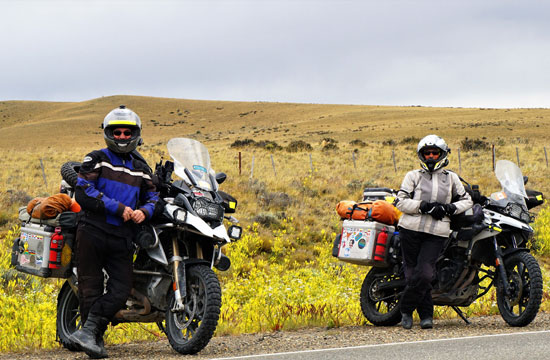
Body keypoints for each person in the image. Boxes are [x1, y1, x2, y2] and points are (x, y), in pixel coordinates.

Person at [70, 105, 159, 358]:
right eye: (116, 132)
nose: (121, 137)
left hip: (123, 237)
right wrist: (119, 208)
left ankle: (88, 333)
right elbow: (84, 191)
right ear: (108, 133)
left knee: (121, 291)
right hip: (93, 231)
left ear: (135, 134)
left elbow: (153, 196)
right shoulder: (95, 158)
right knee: (90, 288)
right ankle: (93, 340)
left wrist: (145, 212)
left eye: (126, 132)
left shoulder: (141, 166)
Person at [395, 134, 472, 330]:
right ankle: (426, 316)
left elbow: (467, 200)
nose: (430, 156)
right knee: (412, 275)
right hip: (410, 229)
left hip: (437, 232)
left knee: (426, 274)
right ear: (421, 155)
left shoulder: (451, 177)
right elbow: (400, 201)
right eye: (426, 153)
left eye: (434, 152)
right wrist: (424, 206)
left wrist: (449, 209)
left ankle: (405, 308)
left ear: (442, 154)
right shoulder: (413, 176)